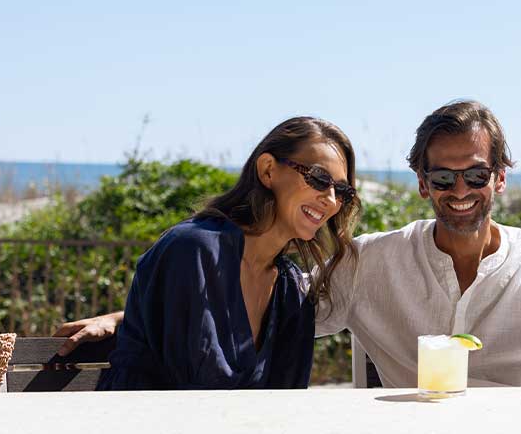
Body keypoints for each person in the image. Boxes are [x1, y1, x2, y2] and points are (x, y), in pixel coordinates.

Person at [59, 101, 521, 396]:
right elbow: (236, 314)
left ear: (500, 178)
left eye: (475, 174)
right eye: (443, 178)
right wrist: (134, 313)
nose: (459, 190)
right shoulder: (370, 263)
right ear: (422, 184)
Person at [83, 116, 361, 389]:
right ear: (267, 170)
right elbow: (188, 392)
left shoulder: (289, 289)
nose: (332, 199)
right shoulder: (193, 251)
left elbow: (286, 401)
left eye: (342, 189)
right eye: (318, 178)